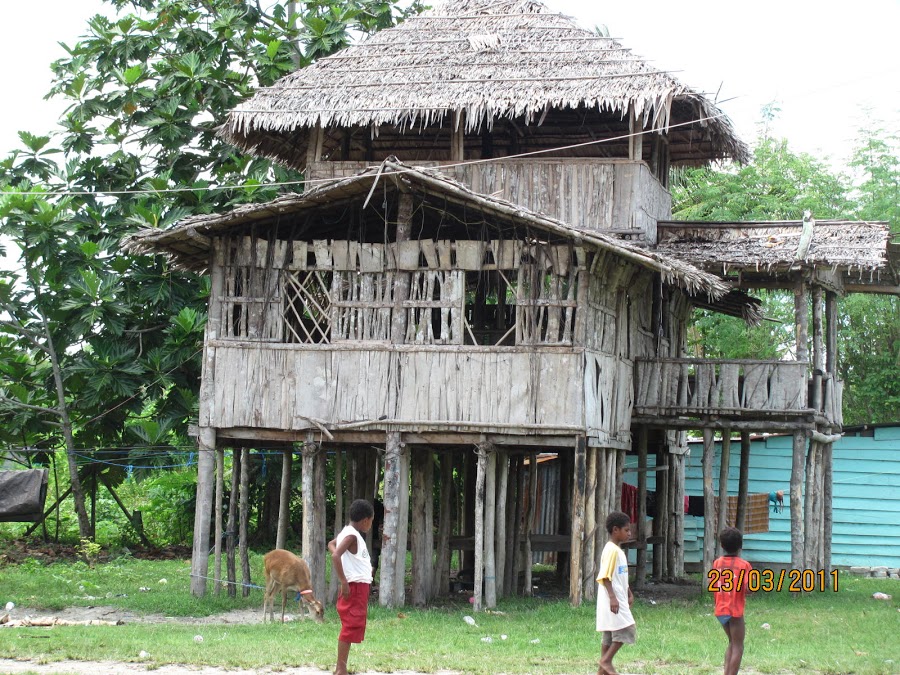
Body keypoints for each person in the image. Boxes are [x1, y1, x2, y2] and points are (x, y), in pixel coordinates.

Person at [328, 499, 375, 675]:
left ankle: (341, 667)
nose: (371, 524)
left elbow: (331, 545)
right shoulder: (351, 536)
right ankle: (341, 668)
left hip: (358, 586)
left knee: (351, 625)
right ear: (365, 520)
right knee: (349, 626)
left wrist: (350, 564)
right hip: (354, 587)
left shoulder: (347, 533)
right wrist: (344, 581)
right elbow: (335, 555)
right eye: (371, 521)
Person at [596, 510, 635, 675]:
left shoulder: (617, 550)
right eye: (626, 530)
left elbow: (620, 575)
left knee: (609, 633)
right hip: (613, 599)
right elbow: (605, 576)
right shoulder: (612, 550)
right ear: (615, 530)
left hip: (618, 597)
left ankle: (601, 671)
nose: (629, 533)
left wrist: (629, 592)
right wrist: (613, 598)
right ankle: (606, 661)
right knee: (627, 629)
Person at [710, 526, 753, 675]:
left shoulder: (717, 563)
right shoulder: (744, 565)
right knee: (738, 646)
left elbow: (713, 583)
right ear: (741, 546)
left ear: (722, 545)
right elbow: (749, 588)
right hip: (734, 611)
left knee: (732, 643)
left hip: (720, 610)